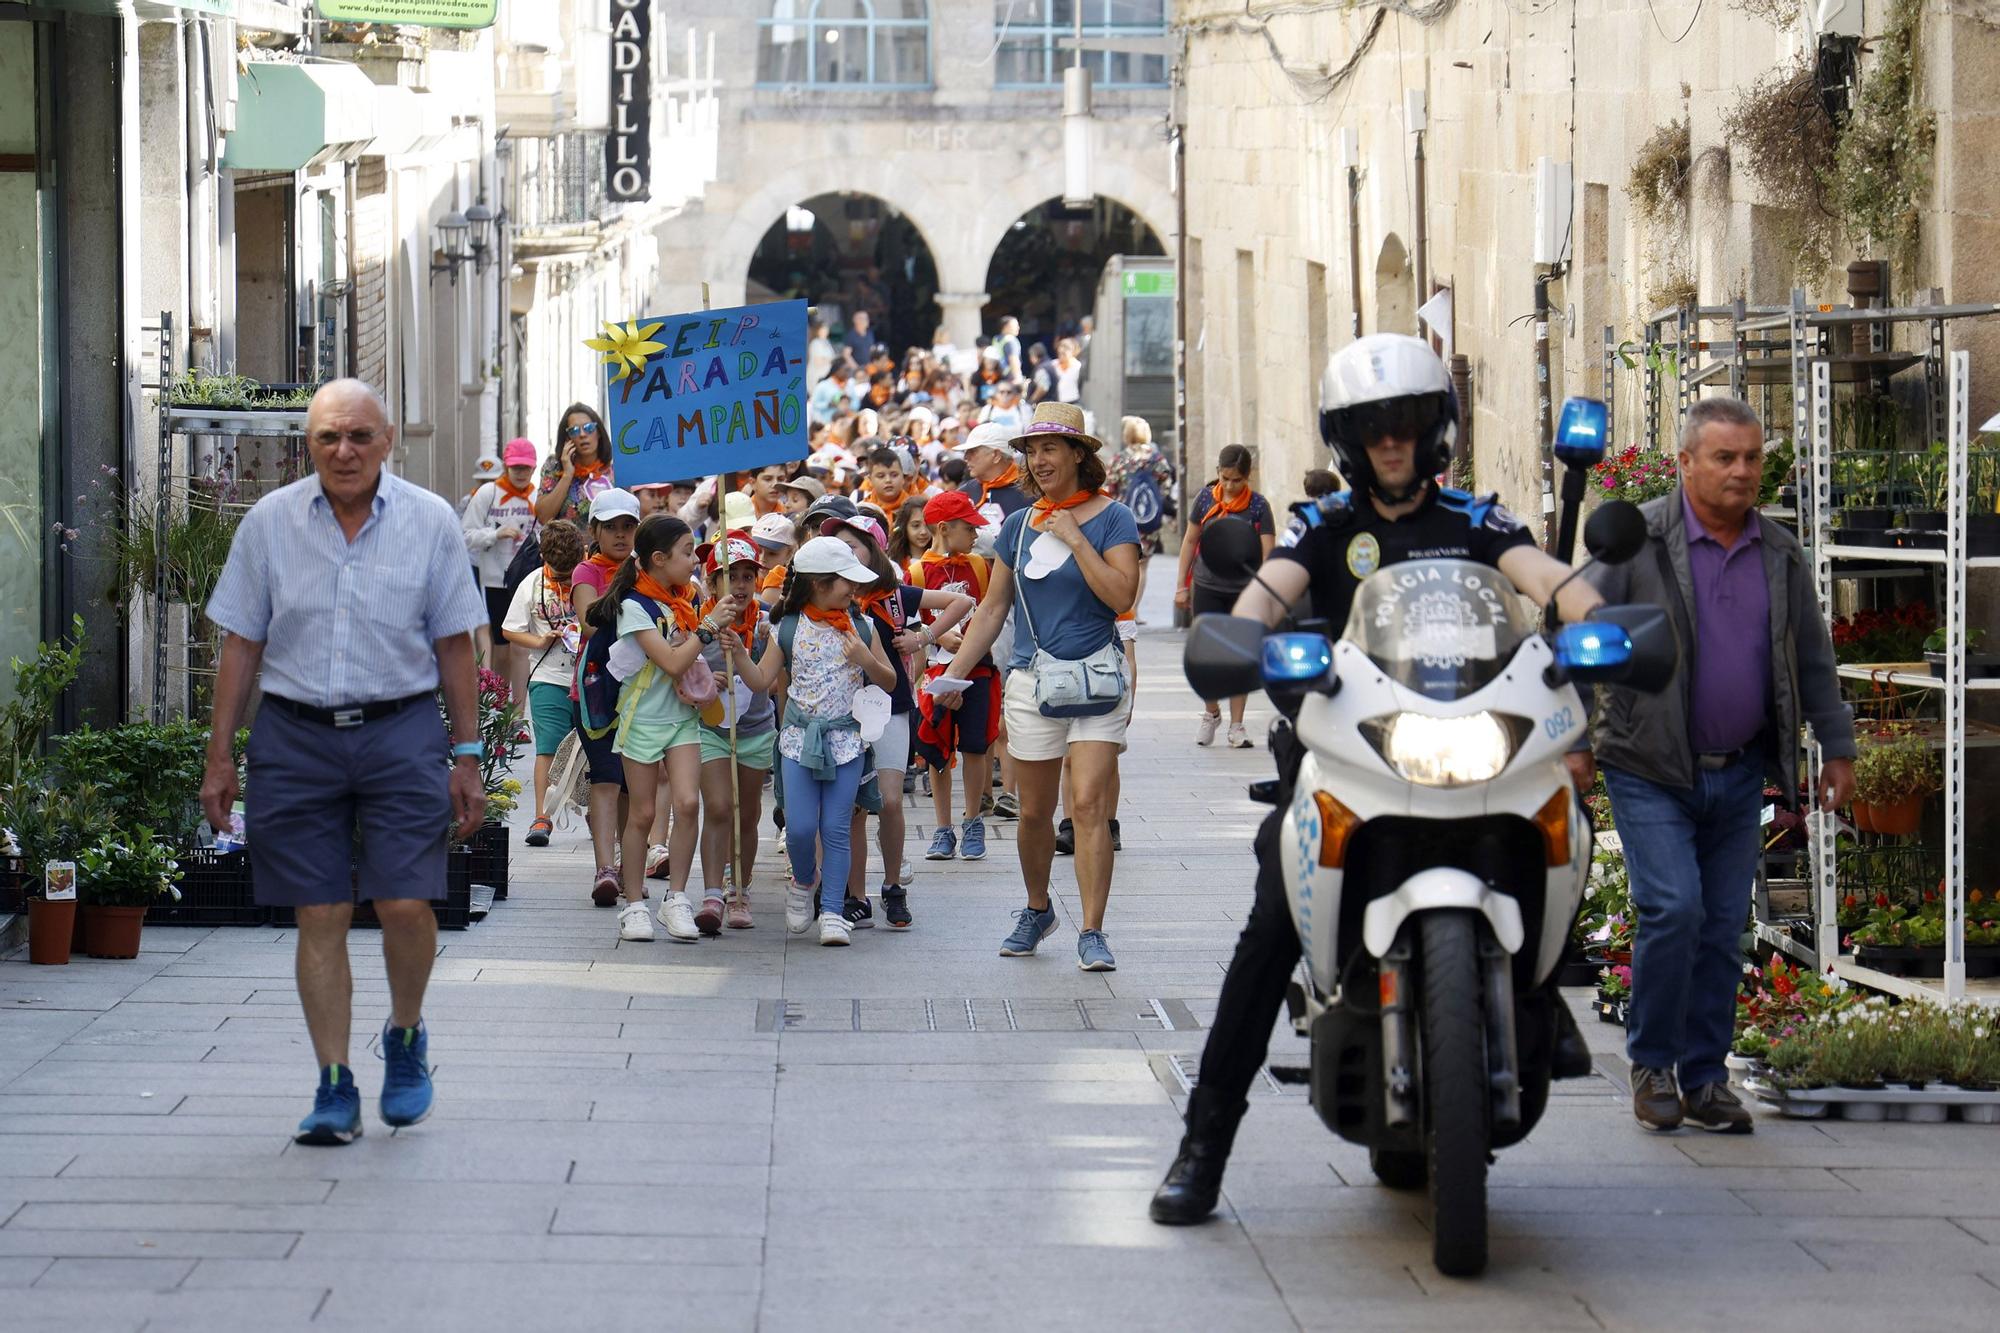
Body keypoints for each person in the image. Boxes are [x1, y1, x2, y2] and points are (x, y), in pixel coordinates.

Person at [1149, 334, 1607, 1226]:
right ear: (1347, 440)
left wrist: (1600, 611)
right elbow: (1267, 593)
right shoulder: (1325, 528)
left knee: (1557, 836)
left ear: (1434, 428)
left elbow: (1543, 576)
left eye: (1407, 422)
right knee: (1270, 930)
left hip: (1469, 743)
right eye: (1372, 427)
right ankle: (1202, 1148)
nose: (1392, 442)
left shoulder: (1478, 519)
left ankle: (1538, 996)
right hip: (1352, 757)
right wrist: (1239, 635)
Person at [201, 379, 487, 1146]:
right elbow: (240, 642)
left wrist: (467, 752)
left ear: (388, 440)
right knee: (319, 910)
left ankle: (404, 1032)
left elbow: (457, 641)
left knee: (404, 901)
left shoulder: (428, 523)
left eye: (359, 435)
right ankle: (333, 1082)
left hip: (400, 730)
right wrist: (220, 752)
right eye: (328, 437)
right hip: (296, 734)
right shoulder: (270, 524)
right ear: (310, 445)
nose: (345, 450)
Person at [1584, 397, 1857, 1134]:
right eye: (1724, 458)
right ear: (1684, 463)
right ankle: (1651, 1062)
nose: (1741, 472)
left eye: (1752, 458)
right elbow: (1577, 634)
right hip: (1648, 762)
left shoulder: (1777, 550)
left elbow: (1811, 655)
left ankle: (1705, 1077)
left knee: (1722, 925)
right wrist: (1573, 741)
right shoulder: (1635, 540)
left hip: (1738, 770)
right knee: (1674, 907)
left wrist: (1838, 746)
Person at [938, 402, 1140, 972]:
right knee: (1033, 813)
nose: (1040, 459)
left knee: (1088, 805)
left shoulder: (1114, 518)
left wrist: (1076, 539)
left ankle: (1094, 930)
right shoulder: (1017, 526)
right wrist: (955, 674)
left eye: (1051, 447)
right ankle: (1037, 908)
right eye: (1032, 450)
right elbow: (994, 607)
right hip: (1031, 681)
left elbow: (1122, 597)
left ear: (1079, 453)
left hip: (1097, 679)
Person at [822, 513, 974, 931]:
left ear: (872, 550)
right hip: (840, 710)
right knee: (851, 805)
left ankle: (892, 886)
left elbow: (961, 602)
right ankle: (855, 894)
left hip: (892, 706)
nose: (847, 553)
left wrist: (922, 637)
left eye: (854, 545)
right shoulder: (824, 598)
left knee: (890, 799)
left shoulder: (895, 595)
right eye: (840, 546)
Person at [587, 514, 711, 944]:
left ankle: (676, 897)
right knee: (641, 813)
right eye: (687, 552)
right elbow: (672, 661)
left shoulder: (689, 597)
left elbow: (690, 660)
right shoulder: (634, 606)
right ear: (658, 559)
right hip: (642, 718)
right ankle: (635, 904)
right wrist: (709, 630)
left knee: (688, 803)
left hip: (682, 719)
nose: (694, 561)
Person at [772, 536, 899, 946]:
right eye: (846, 581)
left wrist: (866, 659)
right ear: (818, 583)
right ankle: (804, 880)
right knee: (800, 827)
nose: (853, 589)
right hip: (798, 740)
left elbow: (891, 682)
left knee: (837, 828)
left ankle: (831, 912)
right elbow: (760, 679)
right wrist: (737, 650)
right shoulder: (787, 628)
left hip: (847, 740)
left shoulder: (862, 627)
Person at [692, 534, 784, 933]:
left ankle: (740, 889)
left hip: (755, 730)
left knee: (747, 814)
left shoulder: (767, 624)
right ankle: (713, 892)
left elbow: (773, 681)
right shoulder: (697, 623)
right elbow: (677, 669)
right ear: (712, 585)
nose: (742, 585)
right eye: (730, 577)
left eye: (749, 576)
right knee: (717, 808)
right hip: (710, 729)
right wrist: (703, 679)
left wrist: (751, 655)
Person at [914, 491, 1000, 863]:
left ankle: (973, 820)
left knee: (976, 747)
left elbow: (992, 609)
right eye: (970, 528)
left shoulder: (980, 566)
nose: (976, 535)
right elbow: (905, 617)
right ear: (945, 529)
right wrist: (936, 632)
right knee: (937, 750)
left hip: (978, 667)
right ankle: (942, 827)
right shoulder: (916, 571)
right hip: (936, 668)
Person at [1176, 445, 1277, 749]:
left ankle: (1237, 725)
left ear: (1248, 477)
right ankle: (1211, 713)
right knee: (1207, 654)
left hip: (1243, 590)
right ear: (1218, 471)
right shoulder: (1206, 498)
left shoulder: (1259, 506)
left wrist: (1264, 589)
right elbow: (1191, 539)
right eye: (1226, 478)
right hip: (1207, 585)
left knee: (1239, 655)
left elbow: (1268, 550)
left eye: (1237, 480)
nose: (1231, 486)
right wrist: (1181, 584)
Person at [570, 487, 641, 907]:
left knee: (635, 783)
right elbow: (589, 624)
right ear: (595, 530)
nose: (619, 535)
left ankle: (631, 866)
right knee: (607, 776)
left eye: (627, 527)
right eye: (610, 527)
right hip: (595, 689)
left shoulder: (646, 570)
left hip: (642, 691)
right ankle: (605, 869)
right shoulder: (587, 572)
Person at [501, 518, 586, 848]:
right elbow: (509, 629)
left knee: (592, 749)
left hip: (587, 674)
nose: (564, 577)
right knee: (548, 747)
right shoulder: (532, 583)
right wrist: (537, 642)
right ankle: (542, 816)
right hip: (548, 676)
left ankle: (598, 815)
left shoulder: (588, 580)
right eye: (558, 572)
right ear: (543, 557)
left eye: (570, 571)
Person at [462, 438, 541, 703]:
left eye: (526, 468)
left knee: (521, 647)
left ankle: (516, 711)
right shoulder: (488, 493)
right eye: (516, 467)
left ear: (534, 468)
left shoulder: (538, 496)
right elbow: (465, 534)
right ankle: (497, 702)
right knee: (501, 648)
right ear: (506, 466)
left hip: (528, 580)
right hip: (495, 580)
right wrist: (495, 534)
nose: (520, 473)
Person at [1104, 415, 1175, 623]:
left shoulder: (1119, 459)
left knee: (1122, 562)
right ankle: (1134, 610)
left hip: (1121, 519)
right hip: (1148, 519)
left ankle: (1121, 608)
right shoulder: (1156, 459)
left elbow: (1110, 487)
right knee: (1142, 566)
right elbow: (1166, 485)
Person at [535, 403, 616, 525]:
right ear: (567, 438)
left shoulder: (615, 468)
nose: (583, 434)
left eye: (589, 428)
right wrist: (567, 474)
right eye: (574, 431)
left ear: (598, 432)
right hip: (564, 543)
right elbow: (543, 517)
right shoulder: (554, 465)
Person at [890, 496, 933, 582]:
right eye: (916, 525)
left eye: (928, 525)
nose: (923, 532)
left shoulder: (942, 559)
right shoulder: (893, 563)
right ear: (904, 527)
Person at [807, 317, 835, 390]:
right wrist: (831, 360)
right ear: (817, 330)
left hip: (827, 376)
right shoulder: (816, 343)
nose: (825, 330)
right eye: (822, 329)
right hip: (817, 377)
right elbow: (818, 362)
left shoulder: (827, 342)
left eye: (826, 328)